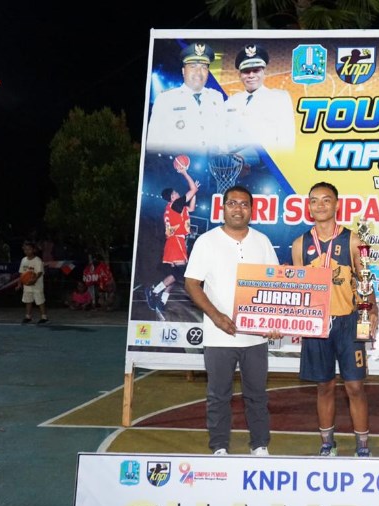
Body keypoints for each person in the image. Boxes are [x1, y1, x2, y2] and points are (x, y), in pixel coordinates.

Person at [184, 185, 280, 456]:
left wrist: (275, 321)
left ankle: (260, 446)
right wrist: (216, 316)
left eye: (244, 204)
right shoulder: (207, 241)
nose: (238, 209)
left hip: (255, 337)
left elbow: (275, 284)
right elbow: (191, 283)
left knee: (257, 395)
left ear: (252, 209)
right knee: (218, 396)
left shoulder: (262, 241)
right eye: (233, 203)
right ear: (223, 208)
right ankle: (219, 448)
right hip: (219, 336)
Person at [290, 181, 379, 457]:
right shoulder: (300, 244)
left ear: (337, 205)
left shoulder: (353, 240)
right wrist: (291, 319)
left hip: (348, 321)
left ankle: (362, 445)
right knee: (324, 385)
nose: (320, 205)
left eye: (326, 200)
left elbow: (365, 279)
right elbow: (298, 287)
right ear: (309, 207)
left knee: (355, 386)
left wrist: (373, 310)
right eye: (314, 200)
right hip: (317, 324)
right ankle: (327, 443)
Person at [145, 41, 226, 154]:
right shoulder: (165, 100)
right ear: (183, 71)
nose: (198, 72)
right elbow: (153, 146)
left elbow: (223, 141)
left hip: (214, 164)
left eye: (204, 67)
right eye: (193, 66)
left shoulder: (216, 97)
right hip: (177, 164)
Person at [145, 163, 200, 315]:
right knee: (180, 272)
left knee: (174, 275)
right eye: (175, 193)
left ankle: (162, 301)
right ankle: (154, 291)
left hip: (175, 241)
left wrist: (194, 193)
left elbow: (192, 208)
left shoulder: (176, 208)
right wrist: (185, 173)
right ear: (172, 197)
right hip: (176, 241)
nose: (177, 193)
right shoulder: (175, 204)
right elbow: (192, 189)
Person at [224, 43, 296, 153]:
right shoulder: (231, 101)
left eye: (256, 70)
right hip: (234, 161)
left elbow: (287, 139)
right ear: (239, 75)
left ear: (264, 73)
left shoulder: (279, 98)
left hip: (265, 161)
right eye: (246, 71)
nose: (251, 75)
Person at [16, 240, 48, 324]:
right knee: (28, 300)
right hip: (27, 285)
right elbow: (21, 273)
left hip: (37, 285)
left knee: (40, 300)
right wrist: (19, 284)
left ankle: (44, 317)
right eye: (25, 249)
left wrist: (34, 279)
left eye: (29, 249)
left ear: (34, 250)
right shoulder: (23, 260)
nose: (27, 251)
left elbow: (40, 272)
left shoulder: (38, 260)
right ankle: (28, 316)